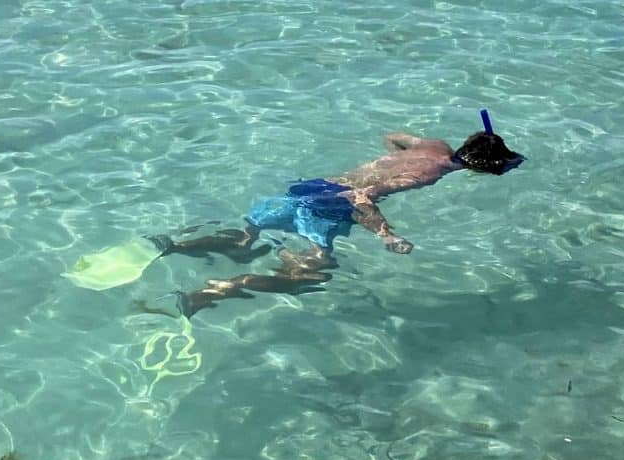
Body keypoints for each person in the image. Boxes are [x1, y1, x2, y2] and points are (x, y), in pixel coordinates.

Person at [156, 114, 524, 315]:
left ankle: (173, 246)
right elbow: (359, 195)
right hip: (325, 206)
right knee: (312, 272)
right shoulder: (427, 175)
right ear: (482, 169)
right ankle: (215, 291)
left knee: (245, 236)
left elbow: (393, 136)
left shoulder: (434, 147)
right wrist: (385, 234)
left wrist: (384, 163)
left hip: (309, 187)